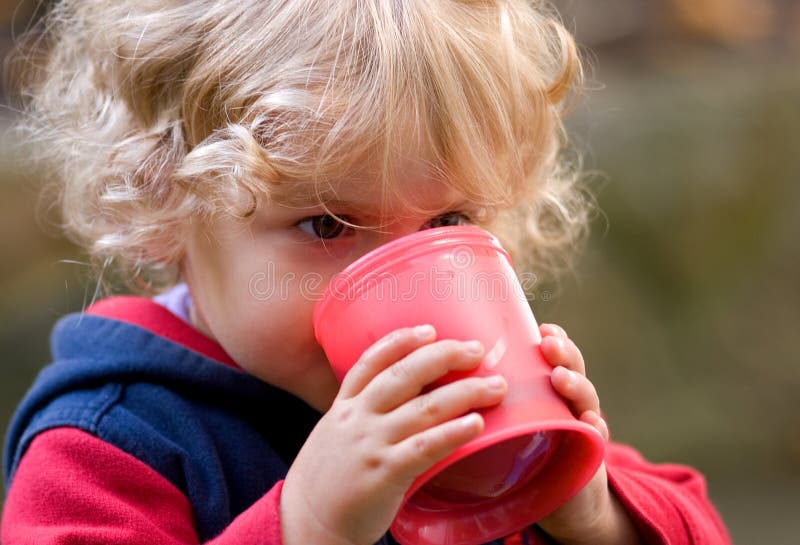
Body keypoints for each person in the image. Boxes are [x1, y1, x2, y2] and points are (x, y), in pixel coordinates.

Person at [1, 1, 732, 544]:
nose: (405, 289)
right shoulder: (109, 444)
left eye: (448, 221)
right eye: (327, 224)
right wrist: (305, 525)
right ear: (167, 201)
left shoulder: (476, 401)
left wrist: (597, 514)